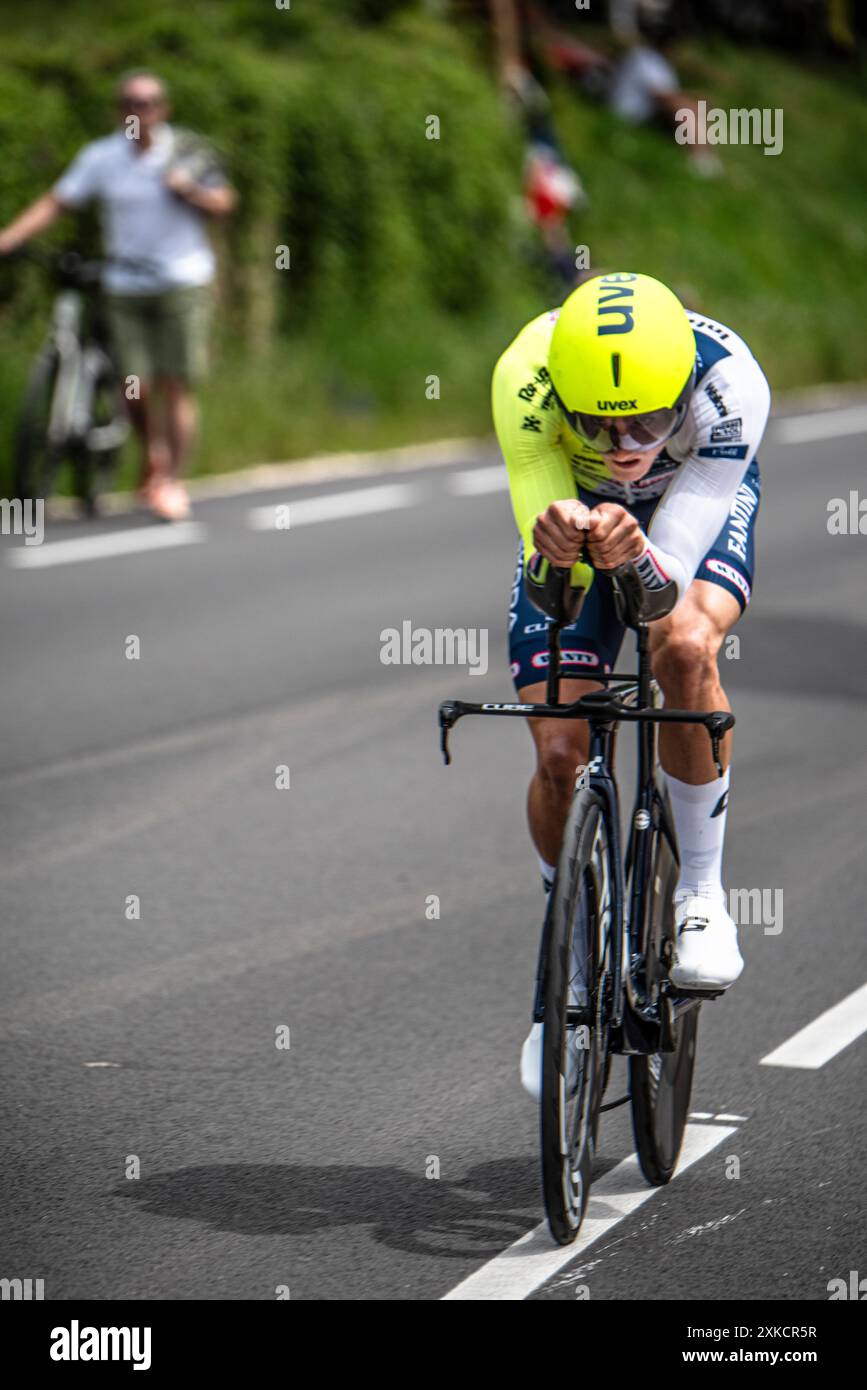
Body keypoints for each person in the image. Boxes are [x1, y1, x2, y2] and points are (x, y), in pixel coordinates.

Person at [491, 272, 770, 1099]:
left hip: (687, 509)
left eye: (648, 421)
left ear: (680, 389)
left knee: (680, 644)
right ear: (564, 399)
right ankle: (568, 957)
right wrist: (559, 547)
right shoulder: (526, 378)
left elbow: (663, 586)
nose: (622, 444)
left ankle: (697, 894)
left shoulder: (728, 385)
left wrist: (635, 553)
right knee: (557, 749)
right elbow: (553, 587)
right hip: (572, 512)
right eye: (599, 423)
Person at [0, 71, 237, 521]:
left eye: (147, 103)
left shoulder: (186, 152)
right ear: (118, 110)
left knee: (175, 384)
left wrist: (188, 190)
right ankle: (154, 453)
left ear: (162, 109)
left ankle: (171, 481)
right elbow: (58, 201)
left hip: (181, 281)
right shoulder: (102, 158)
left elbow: (225, 203)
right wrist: (9, 238)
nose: (138, 111)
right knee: (134, 387)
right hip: (125, 284)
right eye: (129, 102)